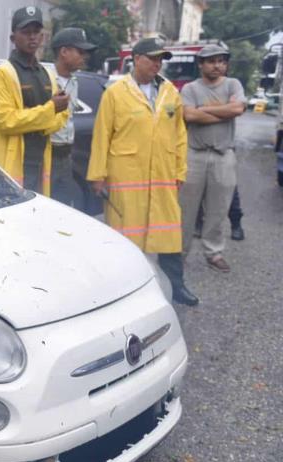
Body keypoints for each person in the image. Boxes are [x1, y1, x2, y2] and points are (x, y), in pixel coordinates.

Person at [87, 38, 198, 306]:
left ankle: (176, 286)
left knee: (168, 233)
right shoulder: (116, 92)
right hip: (127, 175)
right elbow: (102, 134)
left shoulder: (170, 92)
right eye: (152, 58)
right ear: (136, 59)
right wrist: (98, 175)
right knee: (127, 236)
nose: (157, 63)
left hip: (163, 175)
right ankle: (125, 290)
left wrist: (179, 171)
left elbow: (180, 135)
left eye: (161, 59)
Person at [179, 44, 246, 274]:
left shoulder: (232, 84)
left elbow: (237, 109)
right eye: (211, 61)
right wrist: (222, 111)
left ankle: (214, 252)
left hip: (223, 154)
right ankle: (179, 253)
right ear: (201, 64)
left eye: (221, 61)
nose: (217, 65)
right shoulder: (190, 88)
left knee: (219, 209)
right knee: (185, 208)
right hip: (194, 154)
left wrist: (204, 110)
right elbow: (188, 114)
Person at [0, 5, 70, 195]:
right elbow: (7, 121)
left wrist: (47, 116)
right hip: (14, 163)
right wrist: (49, 111)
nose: (32, 37)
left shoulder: (47, 74)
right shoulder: (4, 73)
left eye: (36, 32)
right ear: (13, 38)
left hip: (41, 161)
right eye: (26, 32)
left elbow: (62, 117)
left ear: (42, 37)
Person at [48, 27, 96, 209]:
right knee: (45, 206)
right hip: (48, 152)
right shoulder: (46, 78)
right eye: (80, 52)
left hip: (66, 155)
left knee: (62, 206)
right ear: (64, 51)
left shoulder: (74, 81)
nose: (84, 57)